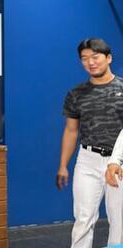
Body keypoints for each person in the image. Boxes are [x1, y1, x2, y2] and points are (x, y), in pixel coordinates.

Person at [57, 38, 123, 248]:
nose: (90, 62)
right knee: (83, 217)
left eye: (95, 57)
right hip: (87, 161)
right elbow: (71, 131)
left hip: (119, 162)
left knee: (119, 221)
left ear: (108, 58)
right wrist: (63, 165)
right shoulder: (76, 94)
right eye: (84, 58)